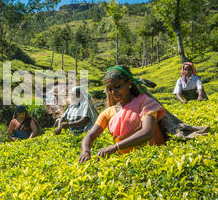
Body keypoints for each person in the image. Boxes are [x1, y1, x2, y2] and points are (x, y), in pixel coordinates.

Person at [79, 66, 209, 164]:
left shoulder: (145, 103)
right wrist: (85, 151)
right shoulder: (108, 112)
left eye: (117, 87)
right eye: (110, 89)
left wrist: (114, 147)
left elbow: (147, 132)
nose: (113, 92)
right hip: (127, 162)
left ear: (129, 83)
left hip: (153, 159)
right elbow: (90, 135)